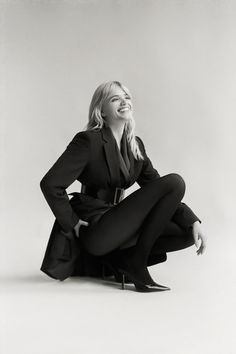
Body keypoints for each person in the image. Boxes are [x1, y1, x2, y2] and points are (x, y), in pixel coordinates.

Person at [40, 80, 206, 292]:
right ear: (101, 110)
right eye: (115, 98)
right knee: (175, 182)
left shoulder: (135, 145)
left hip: (119, 222)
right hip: (96, 227)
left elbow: (158, 188)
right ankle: (137, 263)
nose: (124, 101)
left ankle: (124, 261)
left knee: (185, 232)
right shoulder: (88, 141)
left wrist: (192, 221)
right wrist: (72, 222)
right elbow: (51, 184)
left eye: (126, 97)